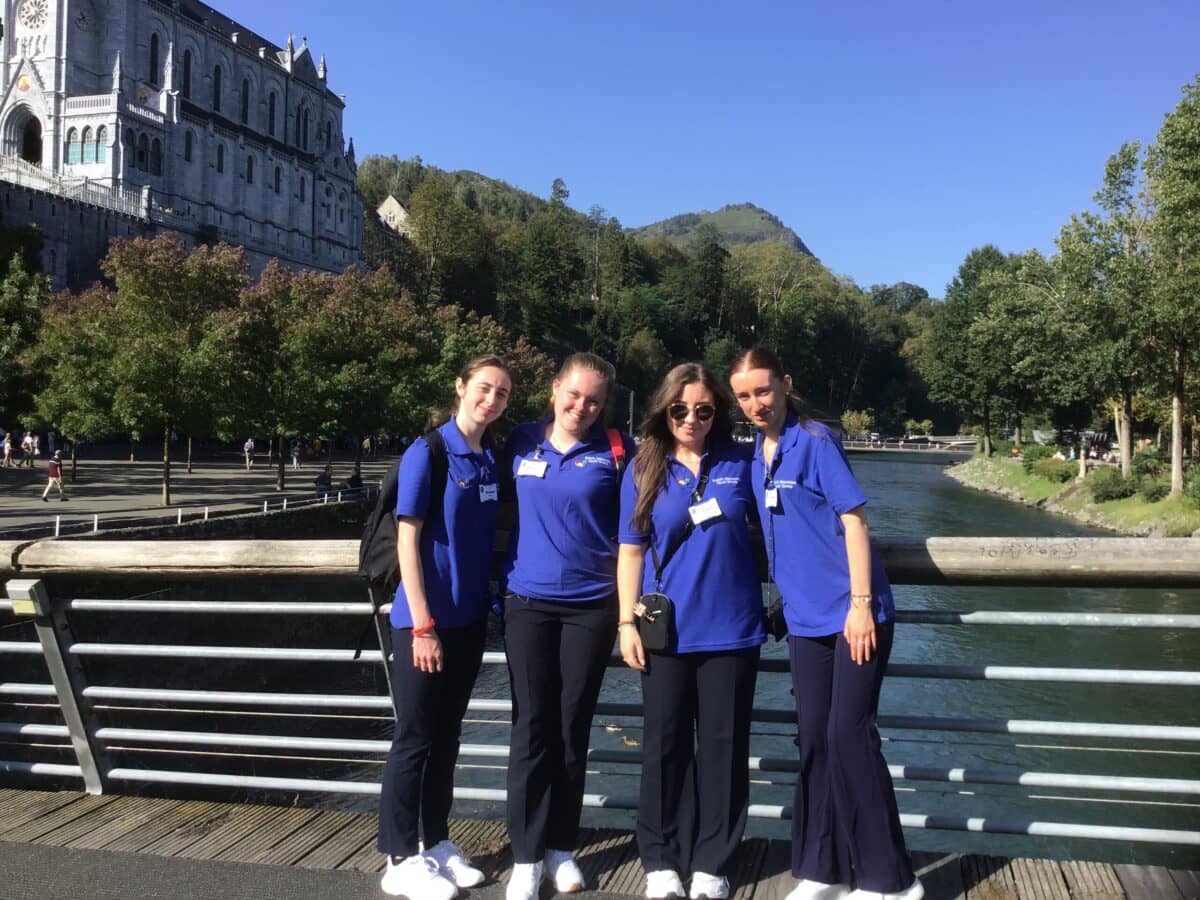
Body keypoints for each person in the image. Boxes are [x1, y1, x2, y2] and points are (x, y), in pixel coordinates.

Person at [728, 348, 922, 900]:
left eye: (763, 391)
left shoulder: (815, 442)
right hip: (804, 621)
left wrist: (860, 604)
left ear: (785, 385)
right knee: (814, 739)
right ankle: (821, 868)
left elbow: (854, 522)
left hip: (853, 616)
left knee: (849, 736)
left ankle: (891, 880)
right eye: (744, 396)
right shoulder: (756, 454)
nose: (756, 404)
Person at [617, 363, 765, 900]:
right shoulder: (643, 468)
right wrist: (625, 622)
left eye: (704, 410)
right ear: (664, 409)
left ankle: (711, 862)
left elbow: (784, 521)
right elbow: (630, 550)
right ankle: (660, 858)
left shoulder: (741, 462)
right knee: (664, 746)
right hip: (665, 632)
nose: (691, 419)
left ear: (717, 413)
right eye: (680, 409)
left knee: (724, 749)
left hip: (732, 630)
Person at [377, 354, 513, 900]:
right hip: (424, 623)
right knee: (414, 738)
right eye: (484, 388)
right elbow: (407, 541)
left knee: (448, 735)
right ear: (460, 387)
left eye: (502, 393)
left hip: (469, 620)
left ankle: (435, 841)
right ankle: (398, 856)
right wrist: (422, 625)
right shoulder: (428, 452)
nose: (492, 399)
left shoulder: (490, 457)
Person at [502, 352, 635, 900]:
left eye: (594, 401)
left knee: (572, 726)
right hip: (527, 602)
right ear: (555, 388)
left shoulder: (618, 451)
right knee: (531, 727)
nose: (581, 407)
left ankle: (560, 846)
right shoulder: (519, 440)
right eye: (574, 395)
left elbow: (640, 526)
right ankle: (526, 856)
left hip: (591, 607)